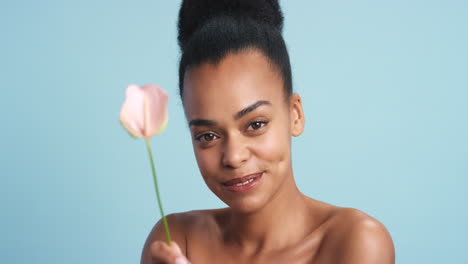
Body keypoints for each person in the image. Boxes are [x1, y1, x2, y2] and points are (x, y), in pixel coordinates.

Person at [141, 1, 395, 263]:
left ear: (294, 114)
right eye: (208, 136)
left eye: (255, 124)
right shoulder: (176, 241)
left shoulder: (355, 241)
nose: (233, 157)